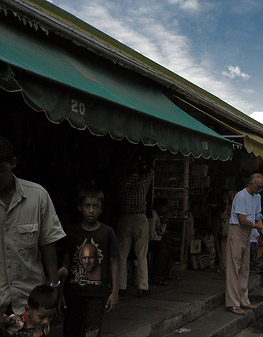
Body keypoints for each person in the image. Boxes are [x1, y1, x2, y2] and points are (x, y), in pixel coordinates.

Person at [0, 137, 66, 334]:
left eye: (0, 169)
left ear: (13, 163)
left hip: (31, 302)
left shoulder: (38, 196)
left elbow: (48, 244)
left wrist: (54, 287)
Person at [61, 188, 119, 337]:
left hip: (97, 294)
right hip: (73, 292)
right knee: (71, 330)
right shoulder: (72, 232)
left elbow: (114, 261)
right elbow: (66, 263)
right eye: (87, 206)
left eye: (96, 206)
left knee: (91, 332)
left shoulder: (107, 232)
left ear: (101, 209)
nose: (91, 210)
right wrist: (59, 291)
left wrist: (114, 291)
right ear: (80, 207)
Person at [225, 173, 263, 315]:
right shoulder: (241, 196)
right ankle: (233, 303)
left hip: (249, 231)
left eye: (262, 187)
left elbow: (258, 215)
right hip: (238, 230)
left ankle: (243, 300)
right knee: (234, 266)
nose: (260, 190)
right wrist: (260, 227)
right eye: (259, 187)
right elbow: (242, 220)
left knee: (245, 267)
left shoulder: (257, 197)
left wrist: (262, 228)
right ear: (251, 184)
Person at [116, 155, 153, 298]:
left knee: (122, 254)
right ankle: (143, 287)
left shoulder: (122, 181)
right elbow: (151, 171)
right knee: (141, 254)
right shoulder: (143, 182)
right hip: (139, 217)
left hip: (124, 217)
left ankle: (121, 286)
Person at [148, 198, 172, 286]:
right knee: (162, 248)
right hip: (150, 241)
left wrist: (164, 223)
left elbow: (160, 231)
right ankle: (156, 275)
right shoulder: (152, 216)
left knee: (167, 244)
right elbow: (152, 235)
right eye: (165, 207)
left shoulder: (157, 216)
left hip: (155, 239)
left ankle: (163, 273)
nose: (166, 210)